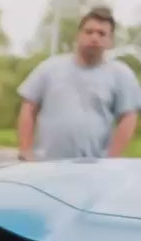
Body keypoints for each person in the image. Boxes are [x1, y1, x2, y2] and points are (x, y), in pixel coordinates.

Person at [16, 5, 141, 161]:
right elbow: (28, 106)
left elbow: (129, 117)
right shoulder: (49, 68)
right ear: (78, 35)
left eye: (101, 34)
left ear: (110, 41)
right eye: (89, 32)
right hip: (47, 165)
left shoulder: (121, 75)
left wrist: (111, 158)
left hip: (94, 167)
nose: (94, 37)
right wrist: (25, 149)